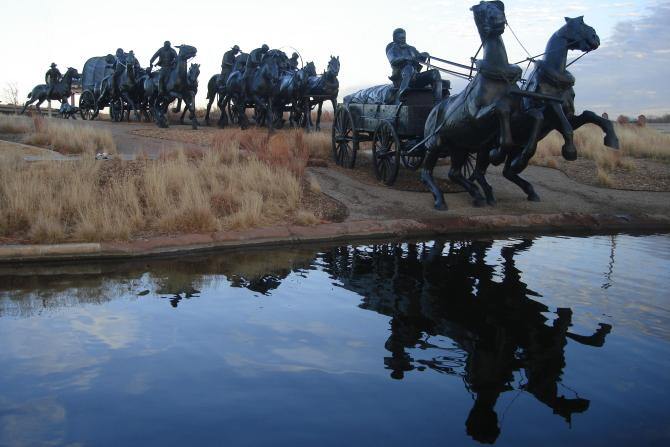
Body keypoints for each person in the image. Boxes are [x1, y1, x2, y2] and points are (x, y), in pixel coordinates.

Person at [386, 28, 442, 105]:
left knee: (435, 72)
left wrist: (424, 55)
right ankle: (401, 93)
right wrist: (404, 57)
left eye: (404, 37)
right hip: (401, 79)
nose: (403, 39)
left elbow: (419, 58)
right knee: (409, 68)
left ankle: (438, 102)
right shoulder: (392, 49)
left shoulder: (411, 49)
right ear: (395, 38)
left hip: (415, 78)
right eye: (401, 38)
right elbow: (393, 60)